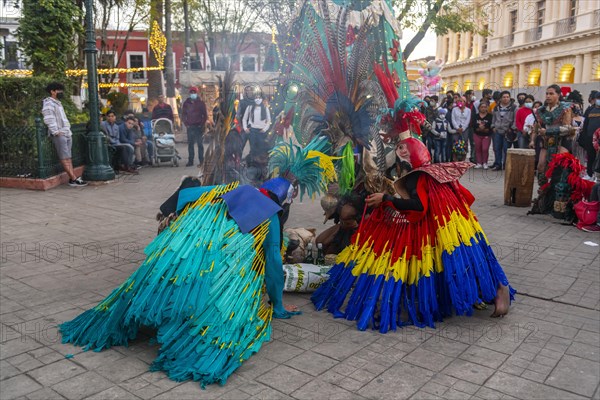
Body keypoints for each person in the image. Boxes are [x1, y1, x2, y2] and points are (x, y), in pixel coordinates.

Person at [59, 137, 334, 387]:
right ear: (286, 196)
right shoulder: (271, 216)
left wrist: (171, 222)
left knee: (180, 275)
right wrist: (277, 305)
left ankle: (147, 308)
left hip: (184, 249)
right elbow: (273, 263)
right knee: (214, 293)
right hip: (214, 267)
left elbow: (188, 196)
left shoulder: (234, 188)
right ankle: (191, 335)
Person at [312, 63, 514, 332]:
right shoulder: (423, 169)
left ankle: (496, 289)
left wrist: (386, 199)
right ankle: (488, 289)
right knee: (458, 257)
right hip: (446, 224)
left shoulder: (419, 176)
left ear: (407, 155)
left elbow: (418, 206)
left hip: (444, 225)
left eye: (399, 149)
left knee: (458, 257)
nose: (396, 151)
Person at [42, 82, 88, 187]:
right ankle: (73, 178)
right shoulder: (48, 103)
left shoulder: (58, 103)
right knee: (64, 157)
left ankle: (73, 178)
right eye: (59, 90)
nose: (61, 92)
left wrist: (67, 131)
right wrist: (56, 132)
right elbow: (49, 118)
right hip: (59, 134)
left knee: (68, 157)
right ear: (52, 92)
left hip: (66, 132)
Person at [530, 84, 575, 184]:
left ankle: (559, 193)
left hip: (563, 139)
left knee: (560, 165)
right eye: (546, 94)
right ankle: (543, 191)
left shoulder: (565, 108)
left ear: (558, 95)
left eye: (551, 93)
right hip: (547, 139)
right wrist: (532, 139)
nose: (548, 96)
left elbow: (567, 129)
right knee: (541, 165)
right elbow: (536, 126)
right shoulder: (541, 110)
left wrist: (548, 131)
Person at [181, 86, 209, 168]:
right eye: (191, 92)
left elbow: (205, 115)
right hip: (190, 127)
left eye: (194, 92)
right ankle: (190, 161)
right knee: (190, 144)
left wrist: (202, 124)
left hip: (199, 127)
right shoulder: (186, 103)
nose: (193, 94)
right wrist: (186, 124)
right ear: (190, 93)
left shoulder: (201, 103)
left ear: (197, 93)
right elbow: (183, 115)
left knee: (200, 144)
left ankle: (201, 160)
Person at [243, 93, 272, 167]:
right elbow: (244, 118)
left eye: (259, 97)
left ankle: (260, 165)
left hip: (261, 132)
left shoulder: (265, 108)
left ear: (262, 99)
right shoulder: (249, 107)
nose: (258, 99)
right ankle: (252, 165)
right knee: (253, 148)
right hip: (252, 130)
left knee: (261, 149)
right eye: (256, 97)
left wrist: (265, 129)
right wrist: (245, 128)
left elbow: (269, 120)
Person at [491, 91, 517, 170]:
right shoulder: (496, 107)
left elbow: (515, 119)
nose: (506, 99)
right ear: (501, 98)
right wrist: (493, 127)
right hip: (498, 130)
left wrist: (512, 128)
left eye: (507, 97)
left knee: (506, 149)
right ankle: (498, 164)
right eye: (504, 97)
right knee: (497, 148)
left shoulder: (514, 107)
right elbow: (494, 118)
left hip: (507, 131)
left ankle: (506, 164)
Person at [579, 91, 600, 180]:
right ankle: (590, 174)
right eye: (598, 99)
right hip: (589, 138)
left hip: (599, 139)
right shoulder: (590, 110)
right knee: (591, 156)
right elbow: (586, 124)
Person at [472, 102, 493, 169]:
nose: (483, 108)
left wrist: (484, 127)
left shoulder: (490, 116)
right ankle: (479, 162)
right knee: (478, 148)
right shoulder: (476, 116)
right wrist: (478, 127)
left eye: (485, 107)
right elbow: (473, 124)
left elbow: (490, 124)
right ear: (479, 108)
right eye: (482, 107)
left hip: (486, 134)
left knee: (485, 149)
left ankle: (485, 162)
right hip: (477, 134)